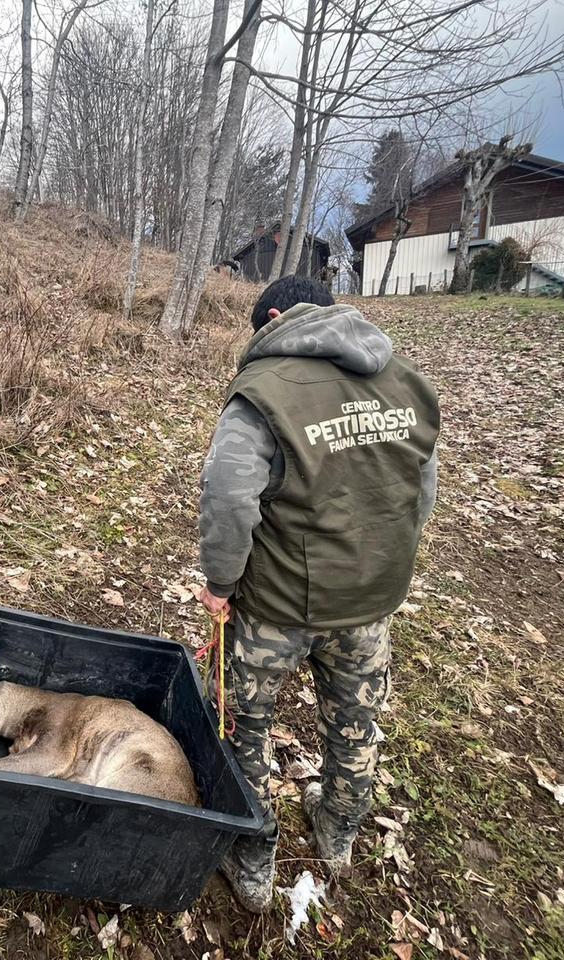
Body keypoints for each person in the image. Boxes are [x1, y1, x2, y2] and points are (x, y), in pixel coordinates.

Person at [198, 276, 439, 912]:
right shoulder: (406, 381)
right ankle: (338, 836)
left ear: (277, 316)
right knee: (356, 725)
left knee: (243, 728)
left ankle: (252, 861)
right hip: (369, 605)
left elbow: (228, 498)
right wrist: (383, 570)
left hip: (274, 609)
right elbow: (421, 495)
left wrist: (221, 585)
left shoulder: (261, 393)